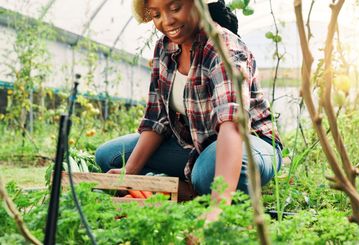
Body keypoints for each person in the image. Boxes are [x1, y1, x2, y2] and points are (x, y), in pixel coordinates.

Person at [96, 0, 282, 221]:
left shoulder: (222, 47)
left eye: (175, 8)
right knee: (110, 157)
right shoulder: (164, 49)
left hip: (248, 144)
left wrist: (218, 207)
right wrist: (130, 172)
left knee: (208, 173)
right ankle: (187, 190)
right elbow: (157, 120)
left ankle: (204, 190)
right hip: (196, 144)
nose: (166, 21)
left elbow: (232, 126)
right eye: (156, 14)